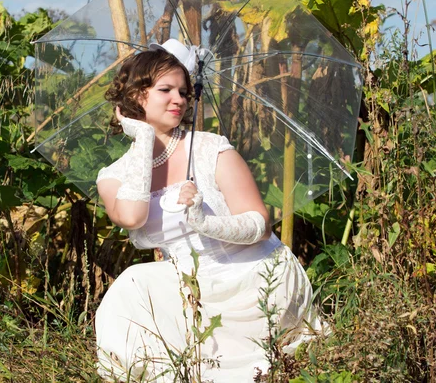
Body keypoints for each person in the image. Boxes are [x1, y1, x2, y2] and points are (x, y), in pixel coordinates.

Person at [94, 40, 324, 382]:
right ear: (136, 96)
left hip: (253, 276)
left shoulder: (210, 148)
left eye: (184, 91)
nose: (179, 100)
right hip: (190, 286)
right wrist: (143, 137)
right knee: (132, 284)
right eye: (166, 90)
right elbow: (132, 217)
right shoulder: (113, 176)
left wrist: (205, 222)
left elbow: (259, 224)